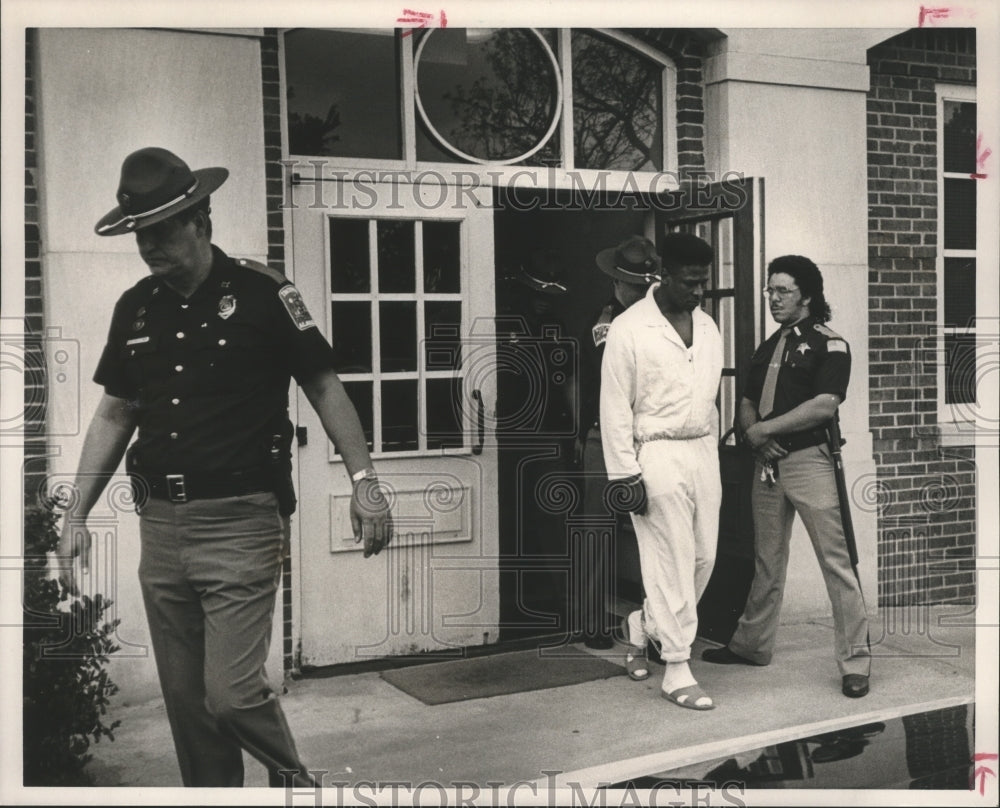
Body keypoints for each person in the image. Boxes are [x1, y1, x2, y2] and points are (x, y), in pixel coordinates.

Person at [55, 147, 393, 787]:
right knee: (189, 710)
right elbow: (114, 413)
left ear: (200, 220)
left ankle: (295, 783)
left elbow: (324, 386)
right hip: (160, 527)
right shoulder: (136, 307)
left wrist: (364, 482)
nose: (149, 246)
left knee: (231, 696)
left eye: (160, 231)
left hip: (242, 522)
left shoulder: (265, 292)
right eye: (139, 235)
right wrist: (76, 510)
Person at [701, 255, 871, 699]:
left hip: (809, 461)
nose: (773, 298)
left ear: (807, 296)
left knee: (837, 563)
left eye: (783, 291)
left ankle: (855, 663)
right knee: (766, 559)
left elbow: (824, 404)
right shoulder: (768, 345)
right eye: (770, 290)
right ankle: (752, 645)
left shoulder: (830, 344)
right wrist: (755, 437)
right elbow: (747, 398)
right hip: (767, 463)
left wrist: (765, 430)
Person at [600, 232, 722, 710]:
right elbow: (614, 408)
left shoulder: (709, 326)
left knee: (703, 557)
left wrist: (710, 449)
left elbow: (709, 397)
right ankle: (676, 666)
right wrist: (624, 476)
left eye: (703, 283)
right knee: (669, 558)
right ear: (664, 276)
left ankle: (643, 624)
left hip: (700, 450)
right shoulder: (629, 328)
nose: (697, 292)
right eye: (689, 282)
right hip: (654, 454)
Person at [575, 236, 661, 650]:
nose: (642, 293)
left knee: (660, 532)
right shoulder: (608, 321)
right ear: (617, 284)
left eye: (647, 285)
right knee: (598, 529)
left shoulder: (662, 320)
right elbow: (617, 380)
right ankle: (592, 620)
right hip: (606, 436)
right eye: (634, 286)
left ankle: (658, 624)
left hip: (653, 437)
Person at [496, 250, 577, 634]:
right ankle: (509, 601)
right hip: (508, 435)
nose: (544, 297)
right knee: (506, 518)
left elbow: (570, 382)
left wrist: (575, 431)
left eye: (550, 291)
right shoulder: (500, 324)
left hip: (549, 434)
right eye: (537, 290)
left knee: (554, 520)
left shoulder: (558, 328)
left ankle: (566, 605)